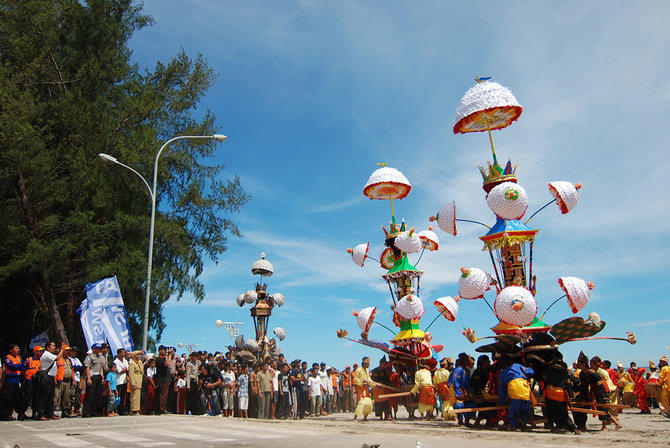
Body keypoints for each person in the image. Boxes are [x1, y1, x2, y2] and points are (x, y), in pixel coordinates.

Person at [541, 355, 579, 434]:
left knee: (550, 411)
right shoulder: (563, 371)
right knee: (563, 412)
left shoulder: (547, 370)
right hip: (560, 394)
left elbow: (545, 381)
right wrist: (571, 398)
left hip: (549, 393)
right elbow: (568, 384)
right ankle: (573, 429)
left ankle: (552, 428)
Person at [498, 356, 535, 431]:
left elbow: (502, 388)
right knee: (525, 407)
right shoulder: (517, 365)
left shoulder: (502, 373)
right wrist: (529, 368)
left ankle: (513, 425)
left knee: (514, 408)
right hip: (524, 388)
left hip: (514, 389)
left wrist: (502, 401)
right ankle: (524, 425)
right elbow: (530, 372)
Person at [37, 342, 66, 420]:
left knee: (50, 396)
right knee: (44, 396)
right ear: (48, 347)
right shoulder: (46, 354)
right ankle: (41, 414)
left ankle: (50, 413)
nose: (54, 347)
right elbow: (58, 358)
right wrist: (62, 350)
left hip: (51, 377)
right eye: (53, 346)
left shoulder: (50, 355)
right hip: (46, 377)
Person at [82, 343, 108, 418]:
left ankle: (95, 411)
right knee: (90, 395)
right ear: (94, 349)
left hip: (99, 375)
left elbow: (103, 367)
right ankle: (87, 412)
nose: (100, 350)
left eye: (100, 348)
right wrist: (89, 378)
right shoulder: (89, 357)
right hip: (92, 375)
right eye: (98, 348)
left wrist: (103, 377)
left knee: (98, 395)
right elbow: (87, 367)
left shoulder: (101, 356)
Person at [450, 352, 476, 426]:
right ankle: (460, 420)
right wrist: (459, 394)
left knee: (472, 405)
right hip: (456, 391)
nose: (468, 362)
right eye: (467, 360)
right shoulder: (458, 370)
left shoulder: (467, 371)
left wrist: (470, 394)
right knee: (458, 405)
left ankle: (467, 420)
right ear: (464, 361)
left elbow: (468, 384)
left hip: (464, 391)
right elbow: (455, 382)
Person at [1, 344, 24, 420]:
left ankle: (20, 413)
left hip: (17, 380)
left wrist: (19, 365)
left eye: (18, 348)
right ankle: (7, 414)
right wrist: (20, 365)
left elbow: (22, 366)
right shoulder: (8, 358)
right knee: (8, 398)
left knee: (18, 398)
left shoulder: (19, 357)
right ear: (11, 350)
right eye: (16, 348)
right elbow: (12, 367)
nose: (18, 350)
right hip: (10, 380)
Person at [20, 346, 43, 420]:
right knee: (26, 397)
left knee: (36, 397)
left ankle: (34, 413)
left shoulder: (41, 361)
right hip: (29, 381)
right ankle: (22, 413)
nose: (41, 353)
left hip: (37, 381)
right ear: (35, 352)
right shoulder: (28, 360)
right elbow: (23, 370)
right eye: (39, 351)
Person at [352, 356, 373, 422]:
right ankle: (355, 417)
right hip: (359, 388)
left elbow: (368, 378)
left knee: (369, 403)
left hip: (365, 388)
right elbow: (355, 379)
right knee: (361, 403)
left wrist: (373, 384)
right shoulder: (358, 370)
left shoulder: (366, 370)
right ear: (365, 363)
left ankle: (365, 417)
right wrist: (362, 382)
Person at [154, 345, 173, 414]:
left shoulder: (163, 358)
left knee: (164, 395)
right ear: (160, 351)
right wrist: (170, 354)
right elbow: (167, 363)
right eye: (164, 350)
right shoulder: (159, 359)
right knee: (163, 395)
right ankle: (161, 409)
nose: (165, 352)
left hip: (165, 379)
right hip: (162, 380)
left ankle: (162, 408)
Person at [113, 349, 129, 415]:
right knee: (118, 396)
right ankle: (116, 409)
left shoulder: (125, 361)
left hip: (124, 380)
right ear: (119, 354)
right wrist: (124, 370)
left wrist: (124, 370)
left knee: (123, 395)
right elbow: (119, 371)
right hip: (118, 380)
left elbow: (127, 368)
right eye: (123, 353)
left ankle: (122, 410)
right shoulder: (116, 362)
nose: (124, 354)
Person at [127, 350, 143, 415]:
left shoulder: (140, 363)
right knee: (134, 397)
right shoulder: (132, 363)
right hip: (135, 381)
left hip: (139, 381)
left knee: (138, 397)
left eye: (139, 355)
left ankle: (137, 409)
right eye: (137, 355)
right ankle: (133, 409)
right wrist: (133, 383)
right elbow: (131, 374)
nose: (138, 356)